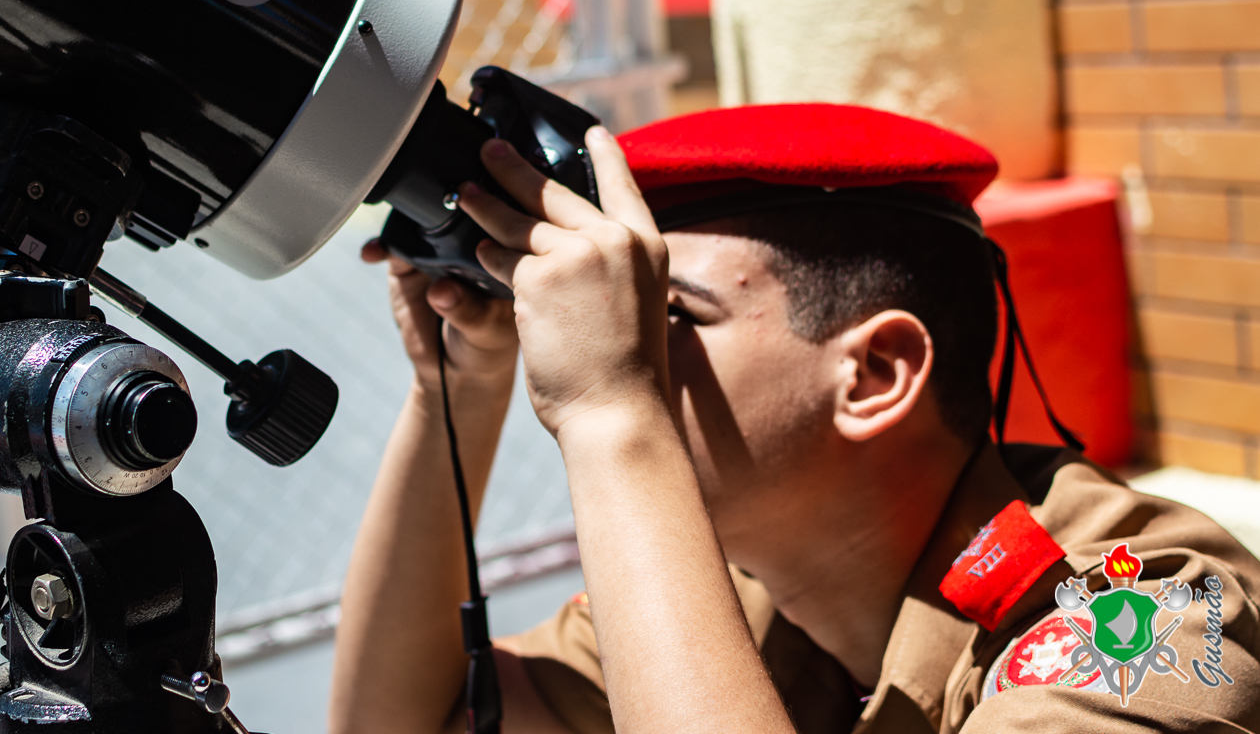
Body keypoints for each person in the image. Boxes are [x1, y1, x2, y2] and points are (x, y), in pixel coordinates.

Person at [329, 103, 1260, 734]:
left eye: (664, 319)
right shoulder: (755, 595)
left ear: (876, 374)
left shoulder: (1147, 620)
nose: (615, 349)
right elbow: (405, 721)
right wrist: (460, 385)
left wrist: (613, 412)